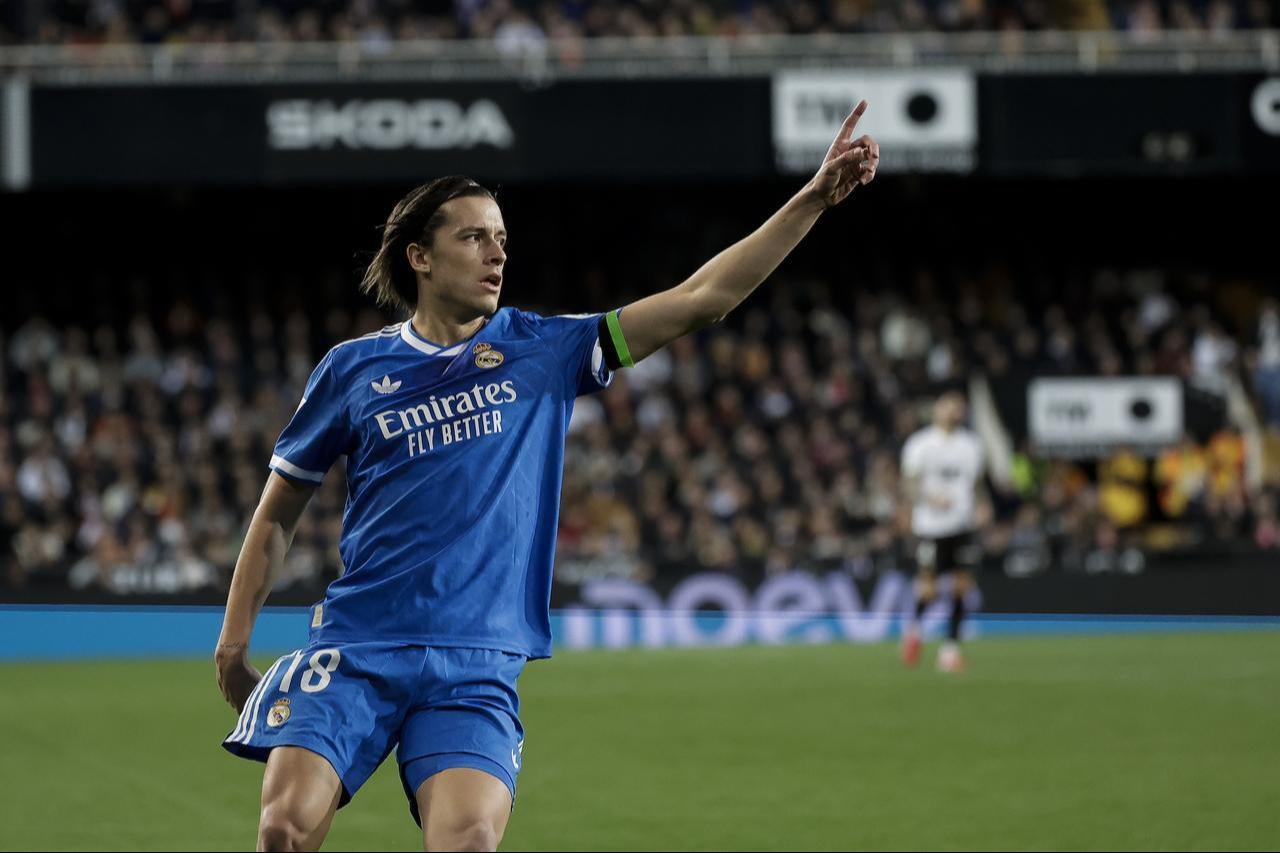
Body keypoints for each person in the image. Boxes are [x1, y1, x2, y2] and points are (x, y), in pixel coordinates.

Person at [214, 105, 880, 850]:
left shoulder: (546, 348)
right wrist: (232, 645)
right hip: (359, 644)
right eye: (472, 236)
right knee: (282, 829)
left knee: (466, 842)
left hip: (476, 660)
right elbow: (278, 512)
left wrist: (813, 198)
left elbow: (704, 299)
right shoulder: (352, 369)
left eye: (501, 237)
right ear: (419, 257)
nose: (496, 252)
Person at [899, 391, 985, 673]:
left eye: (958, 407)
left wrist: (983, 505)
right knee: (929, 589)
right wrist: (928, 499)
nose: (953, 411)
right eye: (948, 406)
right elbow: (910, 482)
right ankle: (914, 631)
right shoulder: (920, 444)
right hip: (931, 527)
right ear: (937, 410)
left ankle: (950, 651)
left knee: (961, 586)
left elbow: (976, 484)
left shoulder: (971, 445)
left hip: (962, 525)